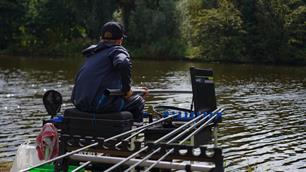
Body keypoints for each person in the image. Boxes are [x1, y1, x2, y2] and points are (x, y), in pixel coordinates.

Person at [71, 21, 147, 125]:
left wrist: (132, 90)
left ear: (101, 38)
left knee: (131, 96)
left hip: (79, 104)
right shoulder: (116, 50)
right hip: (99, 106)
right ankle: (135, 135)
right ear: (120, 40)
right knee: (138, 101)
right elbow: (124, 63)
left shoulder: (92, 53)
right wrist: (127, 90)